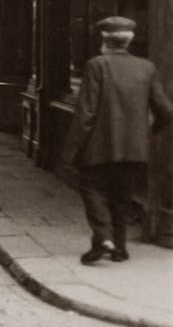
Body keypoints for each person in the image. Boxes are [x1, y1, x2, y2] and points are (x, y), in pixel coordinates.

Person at [62, 16, 173, 265]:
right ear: (128, 41)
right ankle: (119, 249)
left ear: (104, 40)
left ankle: (103, 238)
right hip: (135, 150)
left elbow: (86, 114)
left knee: (92, 190)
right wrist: (148, 133)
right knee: (121, 198)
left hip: (99, 148)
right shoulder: (147, 67)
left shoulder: (96, 65)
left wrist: (71, 152)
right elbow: (166, 111)